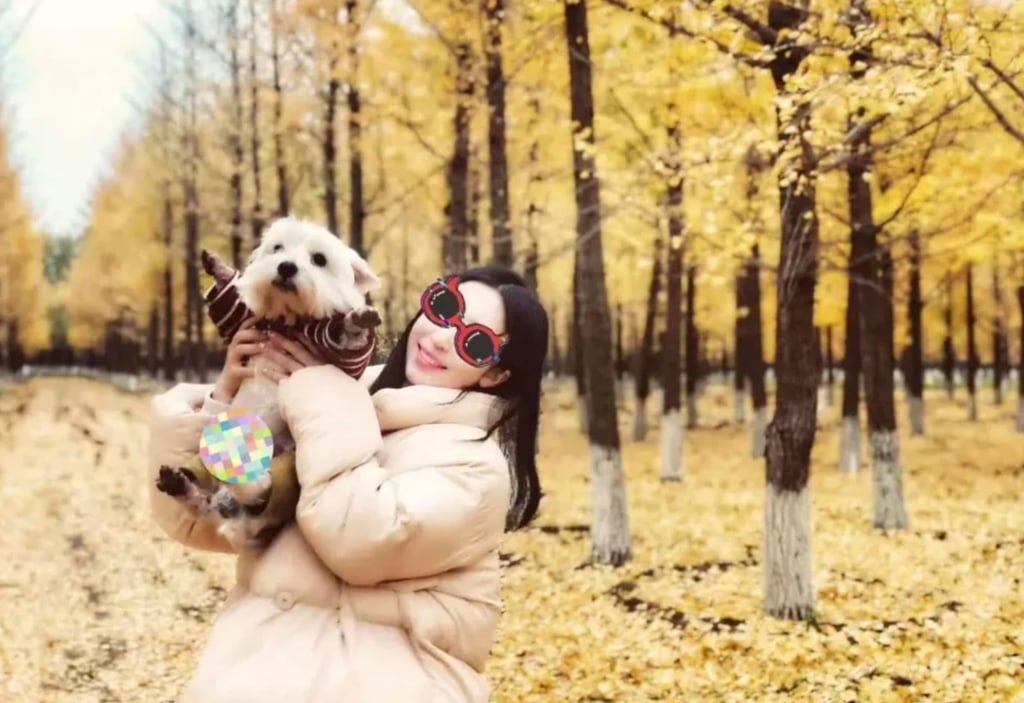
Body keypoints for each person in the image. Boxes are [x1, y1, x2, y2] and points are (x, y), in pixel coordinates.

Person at [147, 266, 548, 703]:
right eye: (445, 307)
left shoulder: (476, 468)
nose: (439, 337)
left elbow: (356, 541)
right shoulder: (340, 397)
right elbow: (208, 522)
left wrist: (321, 393)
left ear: (493, 376)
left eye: (474, 342)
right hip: (250, 671)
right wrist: (231, 392)